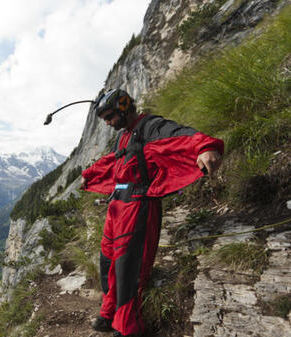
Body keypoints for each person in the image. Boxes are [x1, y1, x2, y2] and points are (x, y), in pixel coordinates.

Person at [80, 89, 223, 337]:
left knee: (129, 266)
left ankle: (128, 327)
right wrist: (91, 174)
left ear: (124, 107)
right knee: (108, 260)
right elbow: (116, 162)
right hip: (117, 206)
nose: (107, 122)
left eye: (110, 115)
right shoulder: (123, 136)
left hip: (139, 205)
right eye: (104, 117)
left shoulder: (152, 126)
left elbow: (181, 134)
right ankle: (109, 311)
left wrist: (205, 147)